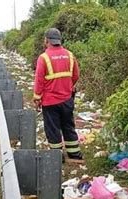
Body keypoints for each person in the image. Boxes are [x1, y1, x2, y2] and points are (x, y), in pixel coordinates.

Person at [34, 28, 83, 163]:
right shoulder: (70, 55)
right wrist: (66, 86)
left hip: (50, 101)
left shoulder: (44, 58)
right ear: (59, 40)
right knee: (68, 126)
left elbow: (39, 79)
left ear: (46, 40)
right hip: (67, 99)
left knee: (53, 129)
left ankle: (57, 157)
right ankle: (75, 154)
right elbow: (76, 75)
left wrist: (37, 98)